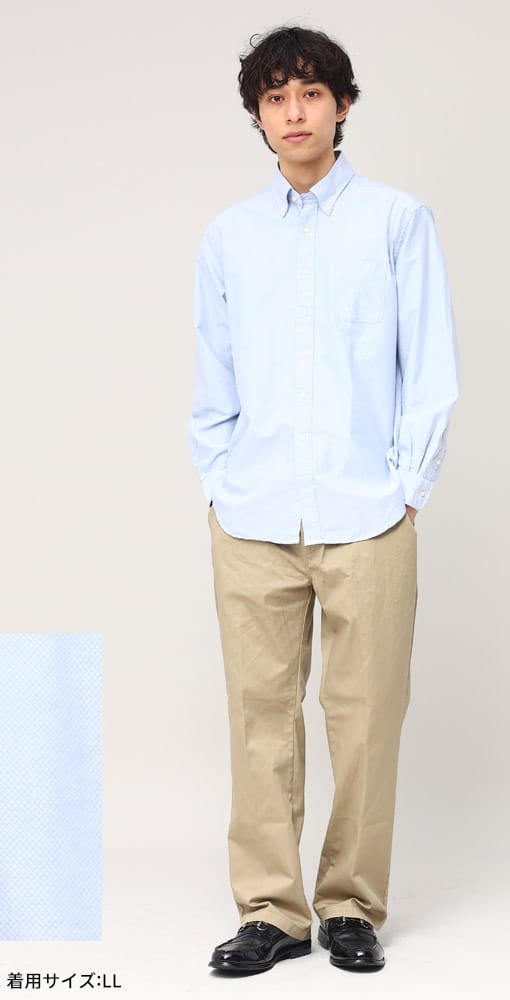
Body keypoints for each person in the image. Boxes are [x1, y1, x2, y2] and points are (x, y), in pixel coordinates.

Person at [187, 24, 460, 975]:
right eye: (275, 98)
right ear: (258, 116)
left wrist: (408, 488)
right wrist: (218, 482)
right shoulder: (230, 237)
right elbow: (213, 379)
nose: (294, 112)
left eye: (310, 94)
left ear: (342, 106)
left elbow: (429, 367)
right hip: (253, 515)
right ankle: (271, 911)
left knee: (366, 717)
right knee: (258, 719)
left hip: (367, 515)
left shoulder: (396, 221)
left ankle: (350, 906)